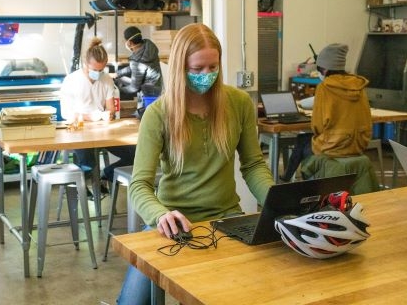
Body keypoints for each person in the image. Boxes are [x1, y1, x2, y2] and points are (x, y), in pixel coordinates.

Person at [116, 23, 275, 304]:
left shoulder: (238, 104)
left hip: (227, 218)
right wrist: (160, 215)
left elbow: (252, 165)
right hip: (171, 225)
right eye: (197, 69)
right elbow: (139, 185)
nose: (207, 76)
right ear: (179, 68)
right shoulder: (159, 114)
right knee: (133, 302)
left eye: (212, 68)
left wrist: (276, 202)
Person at [280, 43, 372, 182]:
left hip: (334, 148)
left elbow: (317, 127)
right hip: (359, 144)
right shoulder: (359, 86)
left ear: (324, 69)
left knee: (302, 141)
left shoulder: (325, 87)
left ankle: (296, 182)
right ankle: (288, 178)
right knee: (306, 142)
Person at [59, 37, 133, 196]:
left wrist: (108, 114)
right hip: (79, 133)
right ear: (85, 64)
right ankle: (81, 187)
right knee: (88, 163)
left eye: (101, 70)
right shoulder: (71, 81)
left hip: (103, 132)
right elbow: (67, 114)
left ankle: (106, 175)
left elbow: (110, 108)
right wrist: (91, 117)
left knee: (134, 153)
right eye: (95, 70)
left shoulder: (105, 80)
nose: (98, 73)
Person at [114, 26, 163, 102]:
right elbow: (134, 68)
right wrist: (117, 74)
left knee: (117, 85)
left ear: (129, 43)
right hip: (157, 87)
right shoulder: (148, 47)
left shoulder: (138, 60)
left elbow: (133, 88)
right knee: (119, 79)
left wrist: (115, 91)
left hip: (148, 94)